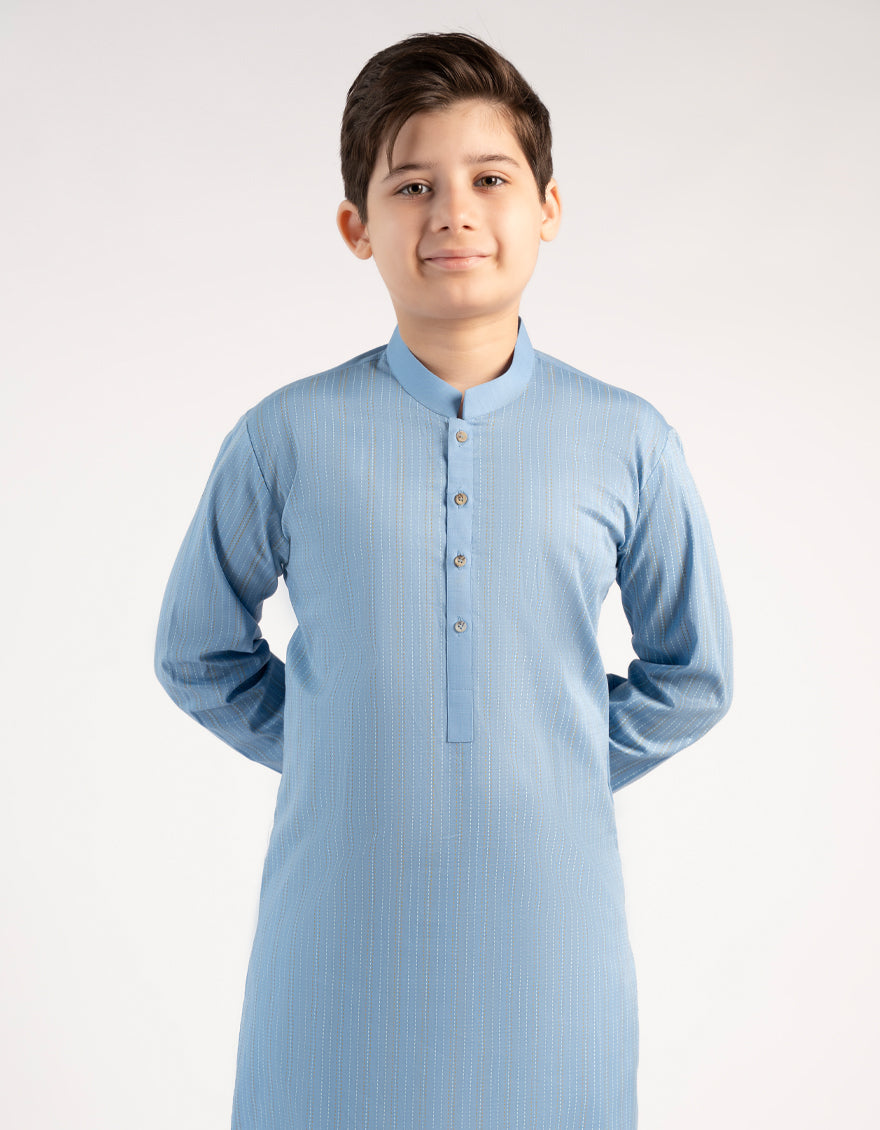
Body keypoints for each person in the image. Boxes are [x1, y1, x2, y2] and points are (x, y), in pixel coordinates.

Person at [154, 30, 733, 1130]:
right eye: (413, 185)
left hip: (551, 950)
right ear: (356, 226)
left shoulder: (628, 441)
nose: (453, 213)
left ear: (548, 207)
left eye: (490, 179)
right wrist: (348, 750)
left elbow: (694, 675)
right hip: (335, 940)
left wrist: (548, 755)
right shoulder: (283, 437)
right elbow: (196, 653)